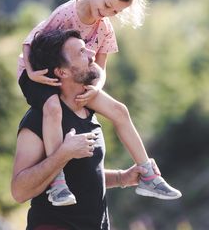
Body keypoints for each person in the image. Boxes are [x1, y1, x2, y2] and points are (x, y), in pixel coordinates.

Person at [16, 0, 181, 206]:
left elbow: (100, 69)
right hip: (38, 75)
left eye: (115, 12)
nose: (108, 13)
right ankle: (57, 182)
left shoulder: (104, 29)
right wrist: (31, 72)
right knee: (52, 109)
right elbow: (29, 42)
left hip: (76, 79)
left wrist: (97, 87)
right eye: (106, 5)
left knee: (119, 111)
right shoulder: (66, 13)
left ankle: (148, 173)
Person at [11, 29, 162, 229]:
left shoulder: (89, 111)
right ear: (61, 72)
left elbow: (82, 176)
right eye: (82, 52)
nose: (92, 55)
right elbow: (19, 191)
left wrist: (121, 177)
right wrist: (63, 154)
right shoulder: (39, 118)